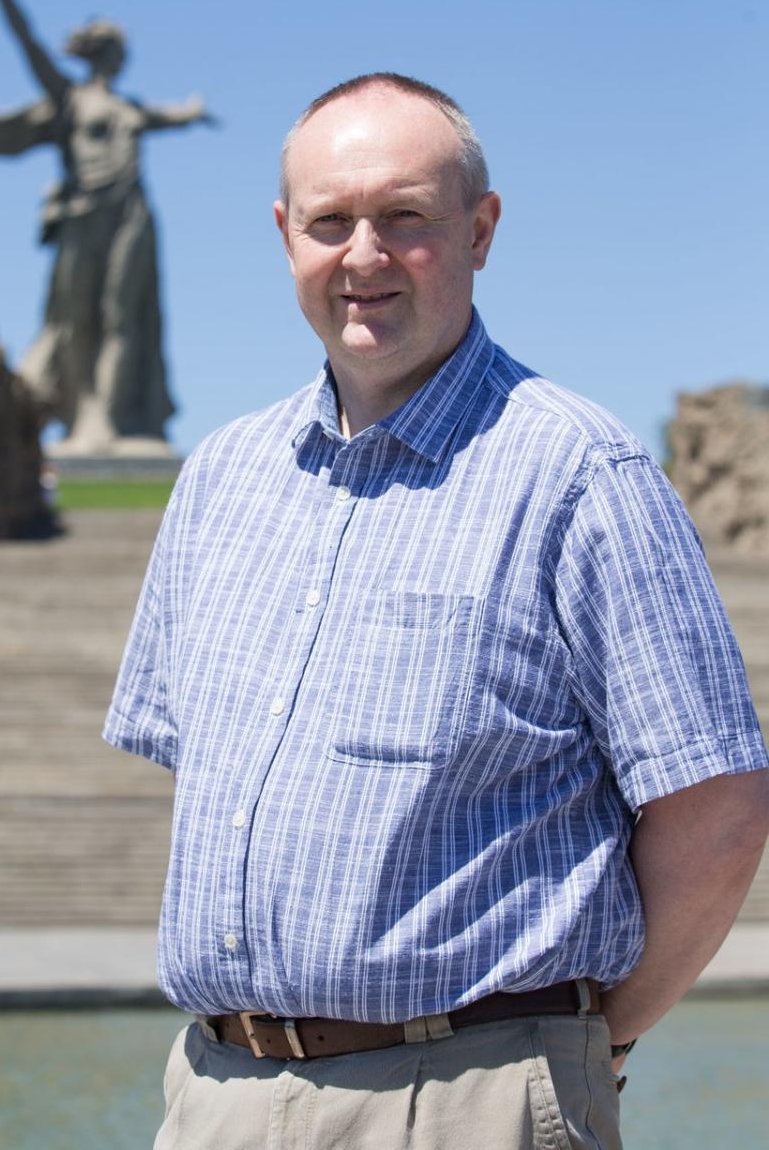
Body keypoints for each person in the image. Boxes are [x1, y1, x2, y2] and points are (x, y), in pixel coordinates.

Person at [104, 73, 769, 1149]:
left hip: (470, 1098)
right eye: (329, 221)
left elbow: (721, 808)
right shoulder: (219, 481)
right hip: (216, 1096)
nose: (362, 254)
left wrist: (588, 1045)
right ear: (286, 236)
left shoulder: (580, 475)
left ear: (481, 229)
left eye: (404, 217)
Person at [0, 0, 216, 448]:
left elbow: (169, 117)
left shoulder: (130, 108)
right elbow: (30, 46)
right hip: (84, 213)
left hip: (131, 212)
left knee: (124, 316)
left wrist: (192, 113)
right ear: (102, 53)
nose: (122, 57)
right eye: (116, 49)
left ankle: (115, 417)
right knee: (75, 318)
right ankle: (83, 417)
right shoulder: (71, 98)